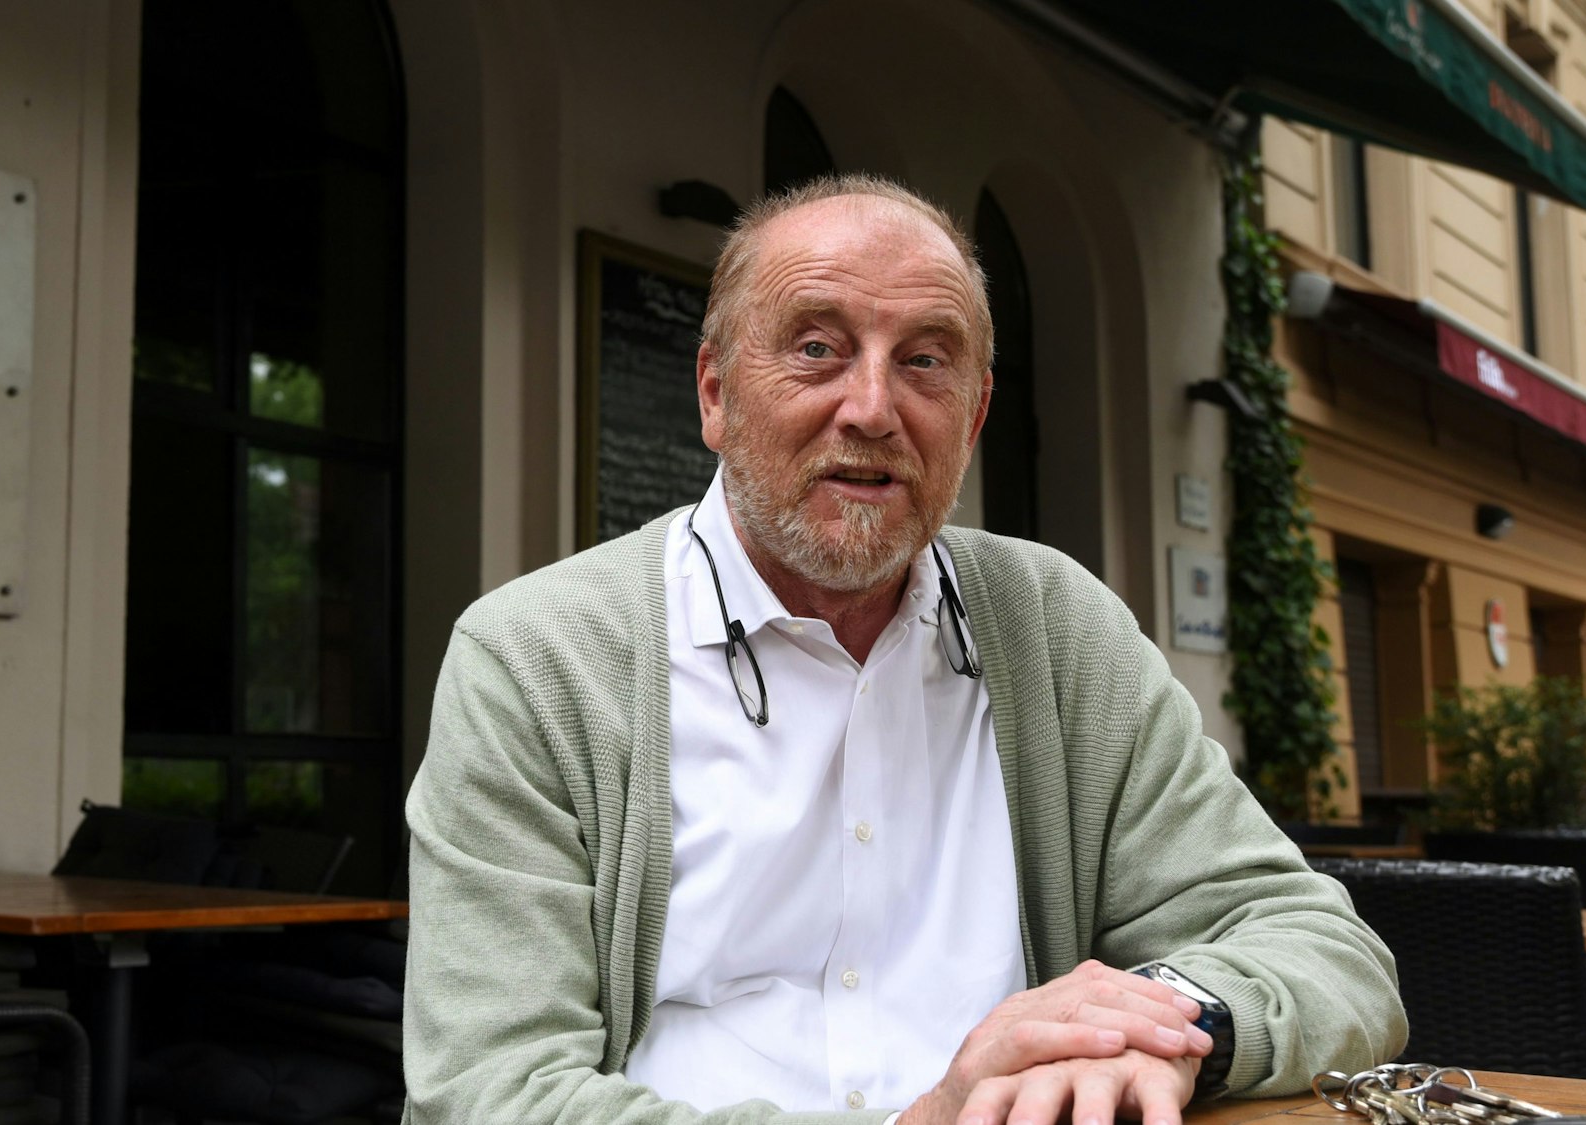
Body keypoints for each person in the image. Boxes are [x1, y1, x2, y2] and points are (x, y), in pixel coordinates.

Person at [402, 173, 1404, 1125]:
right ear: (714, 394)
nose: (873, 409)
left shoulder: (1058, 631)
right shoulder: (536, 661)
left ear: (973, 416)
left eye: (925, 360)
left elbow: (1323, 951)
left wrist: (1158, 1030)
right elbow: (485, 1094)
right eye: (816, 349)